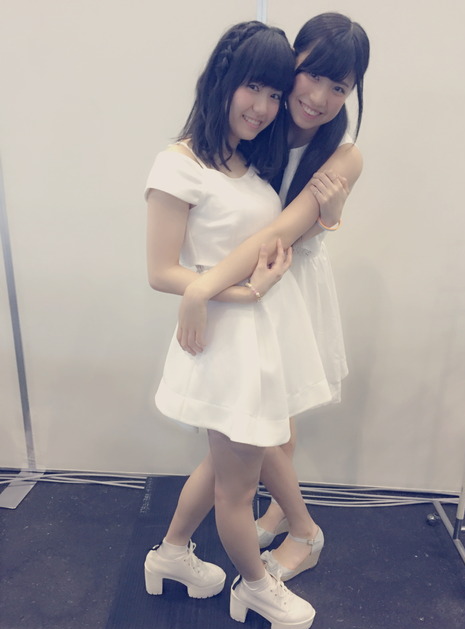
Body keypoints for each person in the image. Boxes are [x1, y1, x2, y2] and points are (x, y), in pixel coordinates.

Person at [144, 21, 328, 629]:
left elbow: (278, 237)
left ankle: (171, 554)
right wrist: (235, 291)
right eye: (254, 87)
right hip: (222, 344)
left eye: (275, 94)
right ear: (222, 79)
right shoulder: (178, 165)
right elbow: (160, 271)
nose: (264, 107)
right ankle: (255, 587)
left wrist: (328, 214)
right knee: (237, 485)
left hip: (253, 340)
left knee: (227, 465)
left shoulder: (249, 163)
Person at [175, 12, 370, 581]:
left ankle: (301, 528)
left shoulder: (343, 153)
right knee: (253, 422)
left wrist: (204, 285)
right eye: (313, 76)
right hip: (245, 282)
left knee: (267, 420)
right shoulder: (262, 122)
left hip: (289, 284)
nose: (321, 98)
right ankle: (272, 518)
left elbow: (281, 234)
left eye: (340, 87)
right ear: (292, 64)